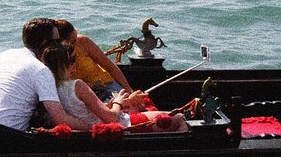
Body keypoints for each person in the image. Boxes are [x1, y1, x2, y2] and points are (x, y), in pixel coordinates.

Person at [0, 18, 91, 131]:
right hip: (7, 135)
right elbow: (60, 119)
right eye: (57, 41)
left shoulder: (9, 54)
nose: (60, 45)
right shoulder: (41, 71)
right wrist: (93, 127)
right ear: (44, 43)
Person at [43, 44, 188, 132]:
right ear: (69, 65)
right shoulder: (77, 85)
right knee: (180, 118)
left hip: (100, 123)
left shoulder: (49, 88)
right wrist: (118, 101)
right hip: (123, 125)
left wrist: (111, 104)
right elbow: (112, 118)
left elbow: (80, 110)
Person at [54, 19, 136, 102]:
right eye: (73, 41)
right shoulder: (53, 57)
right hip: (80, 93)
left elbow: (109, 66)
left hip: (105, 84)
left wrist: (129, 90)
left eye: (76, 37)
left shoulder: (82, 42)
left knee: (129, 103)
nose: (76, 43)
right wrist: (92, 86)